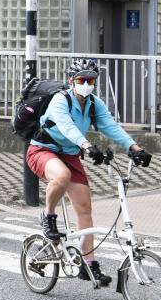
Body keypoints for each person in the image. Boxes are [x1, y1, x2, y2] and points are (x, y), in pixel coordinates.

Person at [27, 58, 152, 287]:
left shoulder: (94, 103)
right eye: (81, 79)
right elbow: (67, 127)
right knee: (61, 176)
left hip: (70, 153)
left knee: (85, 208)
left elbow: (111, 127)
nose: (86, 83)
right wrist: (86, 146)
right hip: (43, 150)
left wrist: (135, 148)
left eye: (91, 80)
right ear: (71, 81)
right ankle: (48, 215)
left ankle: (89, 264)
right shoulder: (60, 100)